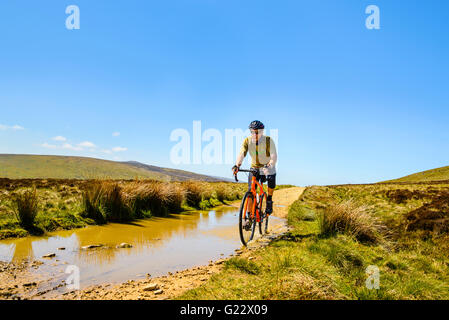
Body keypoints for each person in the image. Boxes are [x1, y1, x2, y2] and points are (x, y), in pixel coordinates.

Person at [232, 120, 277, 215]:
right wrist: (237, 165)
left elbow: (274, 156)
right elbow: (241, 154)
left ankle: (269, 200)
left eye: (257, 132)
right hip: (255, 168)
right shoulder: (247, 141)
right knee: (251, 190)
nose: (254, 134)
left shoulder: (268, 141)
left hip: (267, 166)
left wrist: (270, 165)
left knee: (271, 177)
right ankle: (249, 215)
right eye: (252, 132)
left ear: (262, 132)